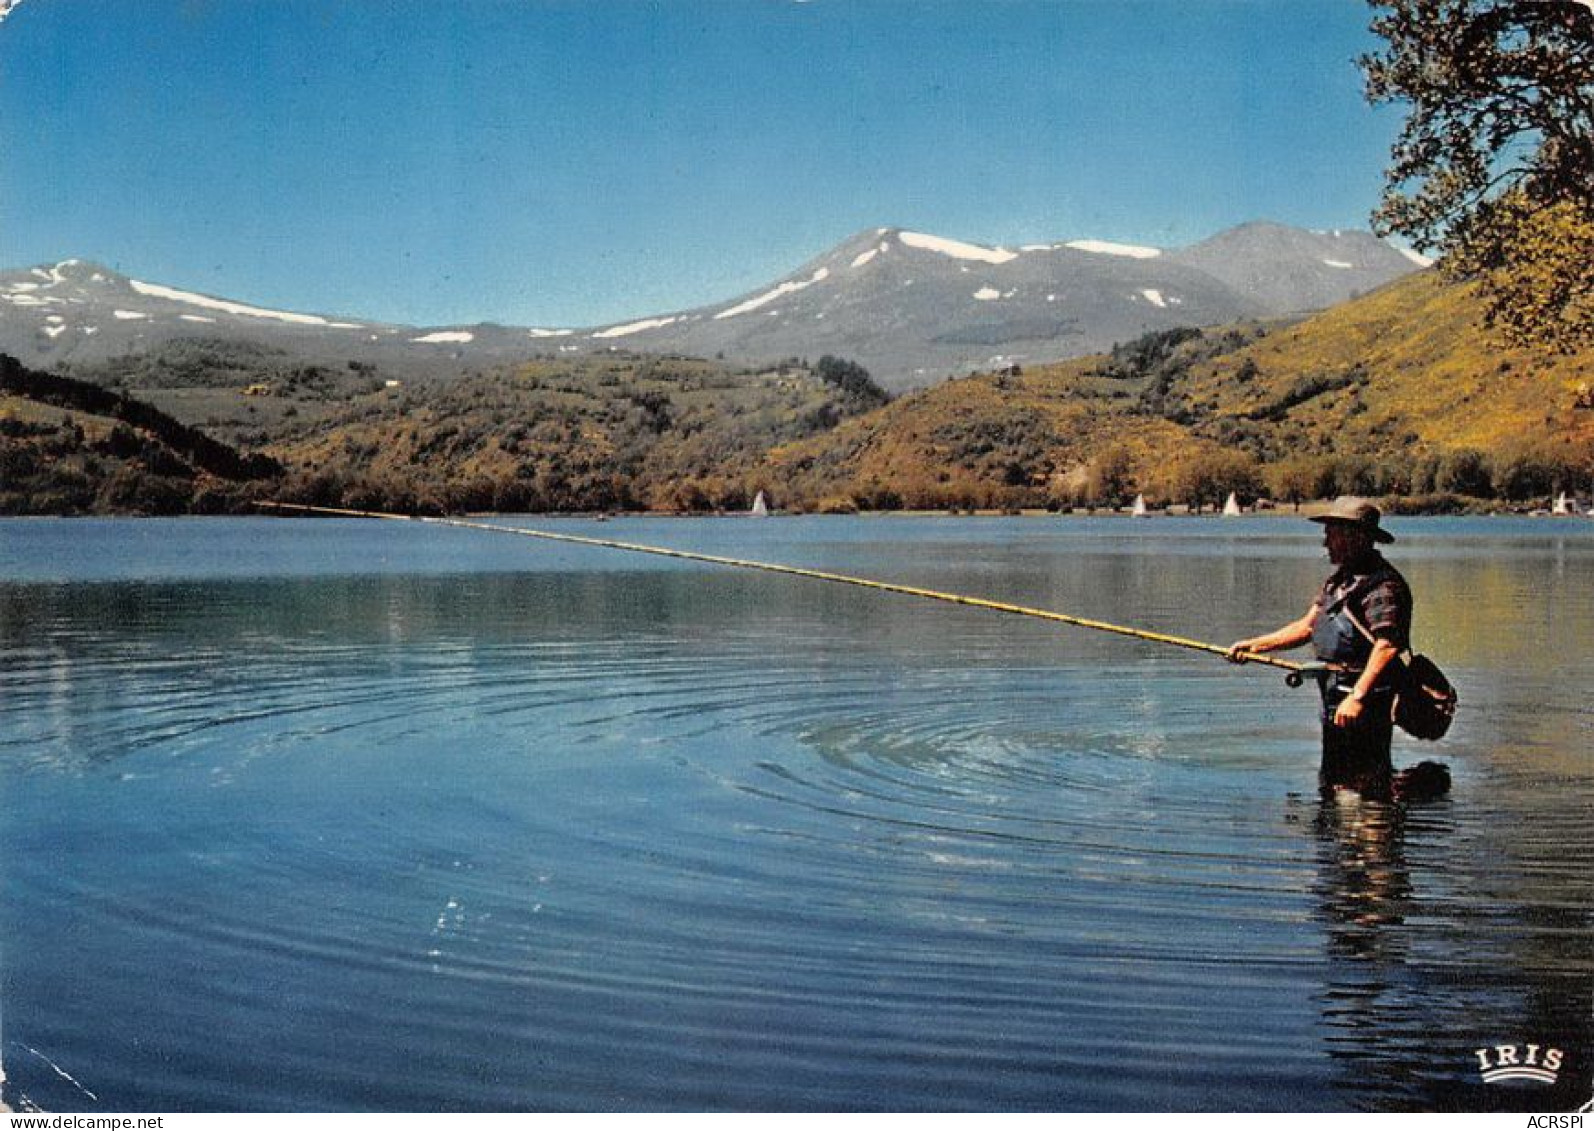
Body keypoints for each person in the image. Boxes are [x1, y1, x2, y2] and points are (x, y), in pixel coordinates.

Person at [1227, 497, 1445, 801]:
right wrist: (1255, 646)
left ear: (1355, 537)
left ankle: (1373, 839)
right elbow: (1307, 626)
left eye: (1331, 534)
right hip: (1334, 698)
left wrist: (1357, 697)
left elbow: (1387, 646)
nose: (1325, 542)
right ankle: (1341, 840)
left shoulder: (1384, 586)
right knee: (1336, 779)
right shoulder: (1338, 583)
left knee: (1365, 783)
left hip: (1365, 702)